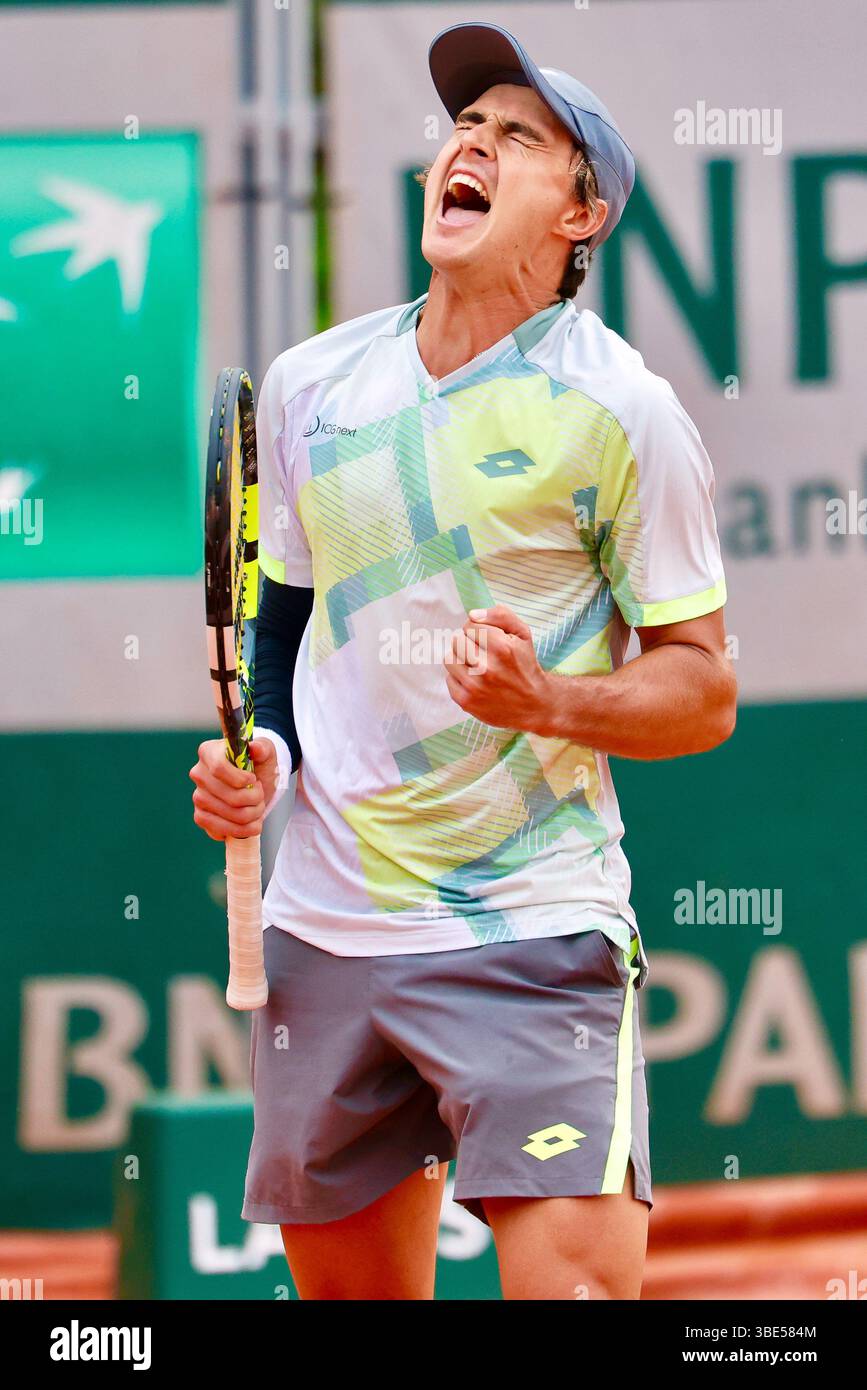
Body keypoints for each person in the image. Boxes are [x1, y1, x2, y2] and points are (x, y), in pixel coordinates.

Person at [190, 20, 736, 1300]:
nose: (471, 147)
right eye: (464, 129)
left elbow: (702, 687)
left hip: (534, 927)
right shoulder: (314, 385)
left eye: (518, 137)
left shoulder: (625, 414)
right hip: (328, 923)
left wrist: (550, 697)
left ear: (581, 210)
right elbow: (284, 631)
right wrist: (261, 757)